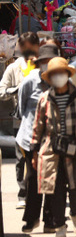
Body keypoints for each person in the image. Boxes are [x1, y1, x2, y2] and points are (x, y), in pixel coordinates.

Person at [30, 56, 76, 237]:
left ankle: (75, 214)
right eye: (54, 74)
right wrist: (35, 152)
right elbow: (38, 126)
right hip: (52, 151)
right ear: (50, 78)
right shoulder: (44, 98)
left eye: (61, 73)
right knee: (55, 192)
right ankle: (60, 226)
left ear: (67, 74)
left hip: (74, 148)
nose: (58, 76)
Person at [17, 44, 57, 233]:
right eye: (43, 62)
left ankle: (50, 219)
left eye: (50, 61)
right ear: (38, 63)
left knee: (52, 179)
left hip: (53, 138)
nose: (47, 65)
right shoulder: (29, 81)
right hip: (30, 138)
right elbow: (21, 109)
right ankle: (31, 219)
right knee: (32, 179)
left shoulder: (62, 80)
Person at [0, 31, 40, 208]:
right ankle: (23, 194)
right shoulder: (13, 68)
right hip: (21, 121)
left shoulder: (43, 66)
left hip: (42, 121)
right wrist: (15, 90)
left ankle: (40, 191)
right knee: (22, 159)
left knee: (42, 157)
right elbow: (1, 90)